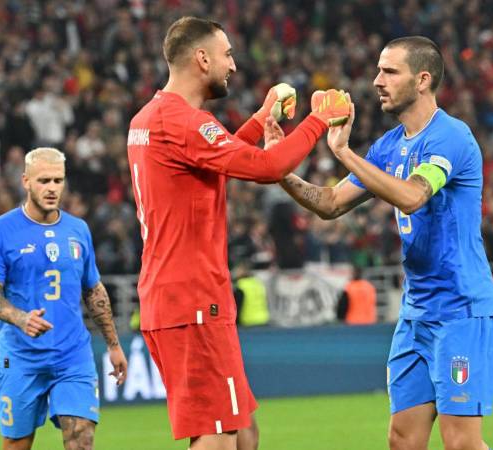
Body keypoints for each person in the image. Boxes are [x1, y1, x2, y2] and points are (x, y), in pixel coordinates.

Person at [126, 16, 350, 450]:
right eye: (227, 54)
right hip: (192, 300)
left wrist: (262, 117)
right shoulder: (182, 122)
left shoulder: (152, 118)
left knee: (244, 433)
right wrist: (318, 120)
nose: (233, 65)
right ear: (202, 57)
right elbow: (265, 167)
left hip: (176, 294)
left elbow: (217, 161)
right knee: (219, 437)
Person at [280, 36, 493, 450]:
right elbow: (330, 203)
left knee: (461, 444)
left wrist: (344, 152)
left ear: (422, 80)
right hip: (415, 316)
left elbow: (413, 196)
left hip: (461, 313)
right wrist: (276, 169)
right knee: (402, 439)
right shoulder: (388, 147)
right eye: (379, 70)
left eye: (389, 71)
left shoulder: (452, 137)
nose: (377, 80)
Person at [0, 147, 128, 450]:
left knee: (81, 439)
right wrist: (21, 318)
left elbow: (93, 289)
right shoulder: (0, 230)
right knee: (17, 443)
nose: (52, 188)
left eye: (58, 181)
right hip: (20, 357)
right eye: (44, 180)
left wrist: (113, 344)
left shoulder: (78, 229)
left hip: (72, 355)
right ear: (26, 181)